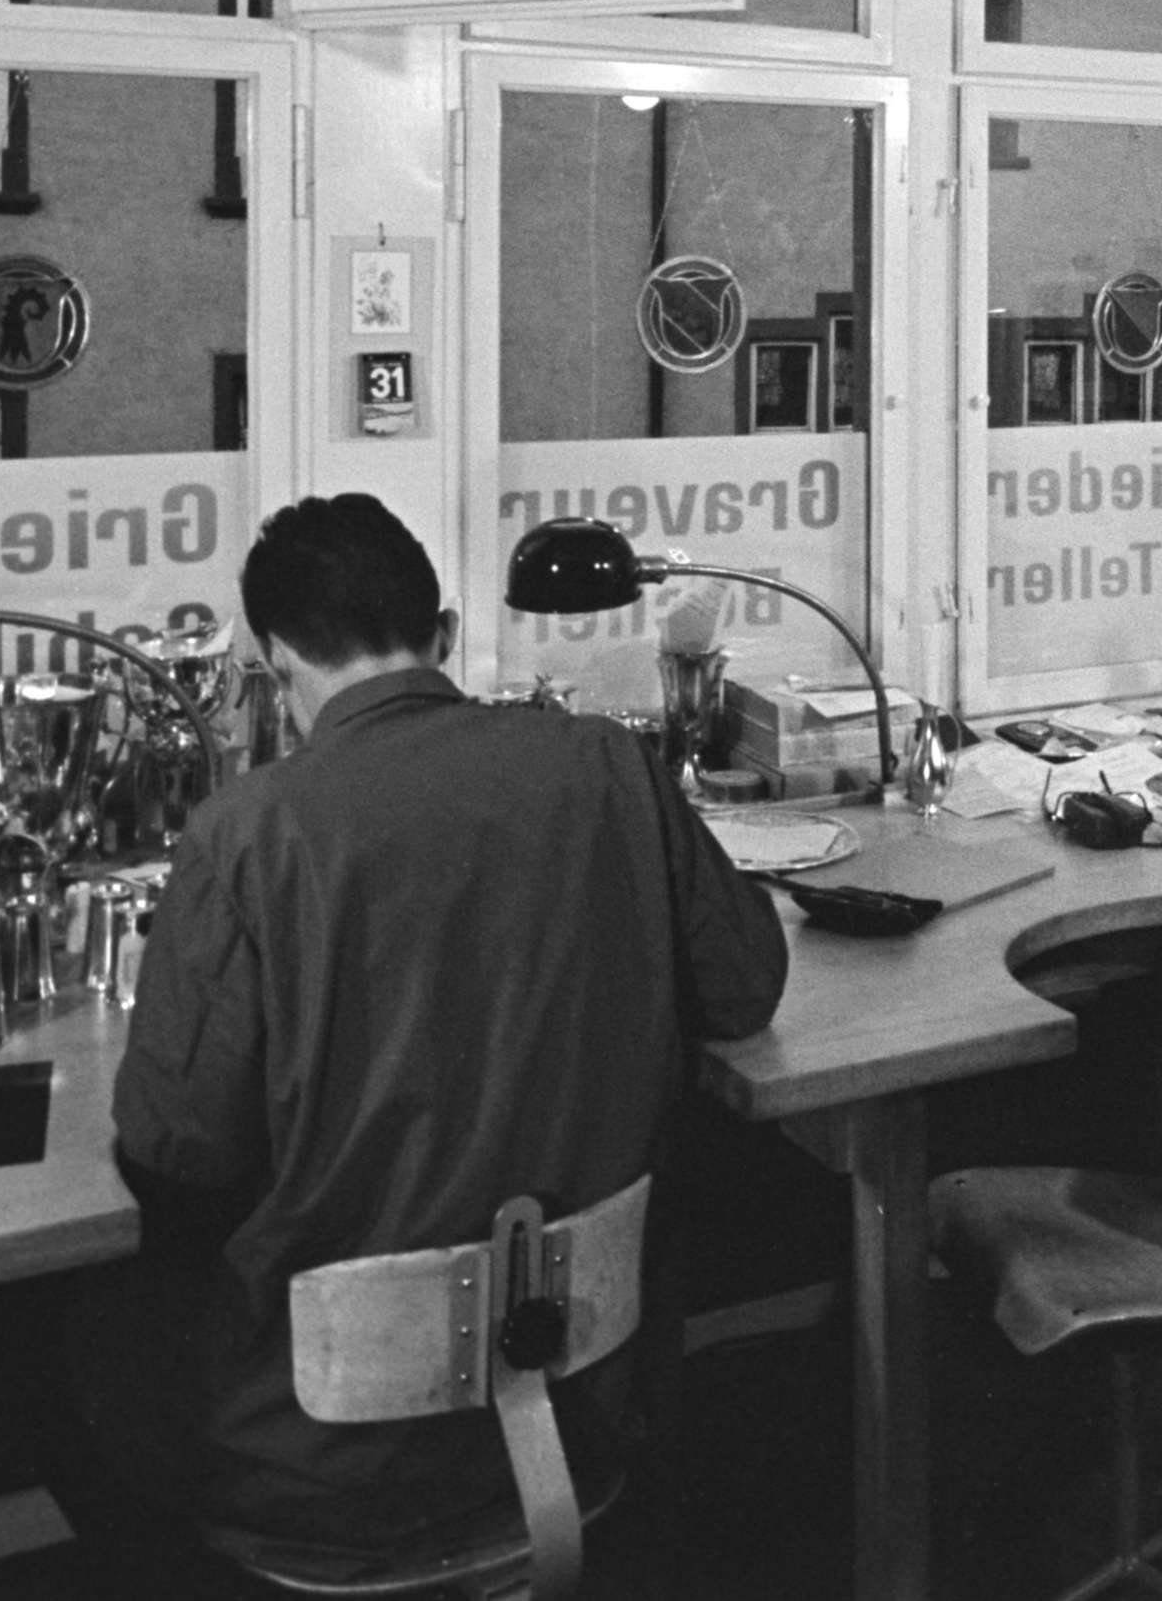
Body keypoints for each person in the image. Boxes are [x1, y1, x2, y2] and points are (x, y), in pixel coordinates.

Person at [51, 493, 790, 1591]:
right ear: (442, 634)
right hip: (583, 1407)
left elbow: (178, 1150)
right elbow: (746, 988)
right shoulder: (608, 766)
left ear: (276, 661)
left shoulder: (247, 833)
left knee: (59, 1336)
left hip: (321, 1464)